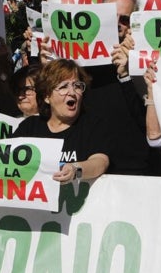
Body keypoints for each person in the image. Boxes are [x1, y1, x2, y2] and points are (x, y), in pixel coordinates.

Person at [11, 58, 116, 186]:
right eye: (63, 87)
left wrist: (75, 169)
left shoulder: (92, 125)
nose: (72, 92)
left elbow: (100, 162)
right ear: (46, 96)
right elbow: (9, 162)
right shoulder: (29, 127)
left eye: (77, 86)